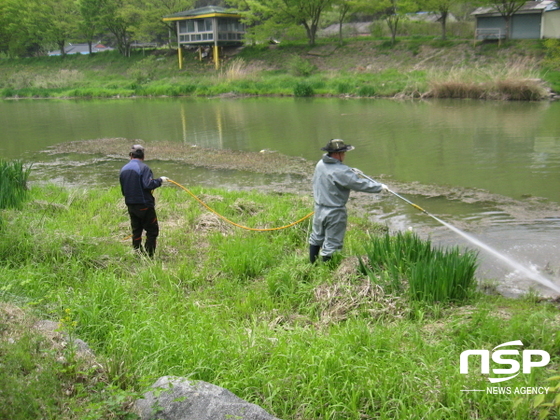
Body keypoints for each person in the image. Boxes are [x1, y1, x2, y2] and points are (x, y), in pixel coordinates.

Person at [309, 139, 387, 264]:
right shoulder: (341, 171)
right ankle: (328, 271)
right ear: (337, 154)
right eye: (343, 153)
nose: (345, 155)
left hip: (319, 208)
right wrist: (379, 187)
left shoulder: (320, 164)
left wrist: (350, 170)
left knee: (316, 236)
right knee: (333, 243)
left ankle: (312, 264)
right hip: (334, 212)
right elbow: (358, 183)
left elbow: (338, 173)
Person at [119, 144, 168, 257]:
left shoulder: (123, 169)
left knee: (136, 230)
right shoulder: (144, 168)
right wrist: (160, 180)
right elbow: (148, 184)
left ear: (131, 155)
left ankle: (137, 253)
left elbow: (123, 190)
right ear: (143, 156)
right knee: (152, 231)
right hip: (145, 205)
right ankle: (149, 256)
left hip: (131, 205)